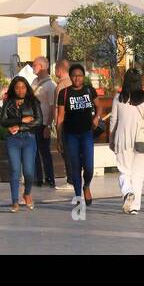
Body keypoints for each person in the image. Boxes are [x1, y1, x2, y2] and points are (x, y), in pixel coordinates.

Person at [109, 68, 144, 214]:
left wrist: (111, 138)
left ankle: (127, 192)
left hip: (123, 138)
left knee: (124, 171)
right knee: (138, 175)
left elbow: (113, 120)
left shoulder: (118, 98)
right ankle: (135, 207)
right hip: (141, 139)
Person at [56, 63, 100, 207]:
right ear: (70, 76)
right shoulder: (65, 93)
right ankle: (78, 195)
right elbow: (60, 117)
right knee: (75, 166)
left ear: (84, 77)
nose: (77, 78)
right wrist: (59, 138)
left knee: (89, 166)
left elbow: (99, 107)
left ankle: (86, 185)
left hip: (86, 133)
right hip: (70, 134)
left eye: (80, 75)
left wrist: (96, 119)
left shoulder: (89, 90)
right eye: (74, 75)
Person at [0, 75, 43, 212]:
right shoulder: (8, 102)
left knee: (29, 172)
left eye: (23, 87)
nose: (20, 90)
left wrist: (20, 127)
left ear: (27, 88)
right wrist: (22, 119)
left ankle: (27, 193)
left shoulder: (33, 101)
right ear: (13, 89)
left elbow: (38, 121)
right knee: (15, 170)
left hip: (29, 139)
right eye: (17, 87)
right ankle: (14, 201)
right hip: (13, 140)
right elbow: (3, 121)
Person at [32, 56, 58, 187]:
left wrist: (48, 125)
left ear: (41, 67)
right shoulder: (34, 82)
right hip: (34, 122)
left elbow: (53, 107)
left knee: (45, 151)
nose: (32, 67)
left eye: (34, 65)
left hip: (44, 123)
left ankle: (49, 177)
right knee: (34, 151)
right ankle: (38, 178)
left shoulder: (50, 85)